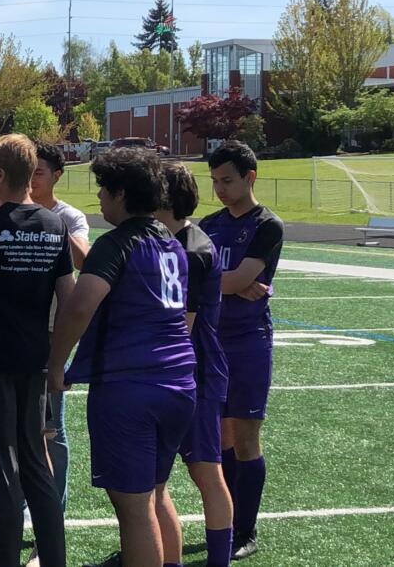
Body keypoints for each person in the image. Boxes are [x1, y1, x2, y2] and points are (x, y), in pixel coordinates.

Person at [47, 148, 196, 567]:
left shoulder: (117, 243)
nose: (99, 199)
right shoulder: (171, 242)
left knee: (132, 509)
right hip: (179, 381)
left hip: (131, 386)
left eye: (104, 190)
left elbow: (79, 306)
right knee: (156, 492)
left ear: (121, 193)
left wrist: (56, 365)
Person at [0, 135, 73, 567]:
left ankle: (7, 559)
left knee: (1, 468)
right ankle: (54, 559)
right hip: (36, 357)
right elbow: (68, 297)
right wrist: (56, 359)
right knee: (36, 464)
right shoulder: (54, 224)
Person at [198, 141, 284, 561]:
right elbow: (207, 277)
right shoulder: (209, 223)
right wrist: (229, 280)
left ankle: (245, 530)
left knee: (246, 437)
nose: (219, 188)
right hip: (211, 340)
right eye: (214, 180)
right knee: (219, 438)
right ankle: (226, 522)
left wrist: (224, 279)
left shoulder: (267, 225)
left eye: (226, 180)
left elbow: (238, 279)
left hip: (249, 341)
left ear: (250, 177)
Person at [155, 162, 232, 567]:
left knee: (206, 472)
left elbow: (181, 327)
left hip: (194, 368)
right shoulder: (171, 240)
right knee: (156, 479)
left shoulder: (192, 248)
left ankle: (218, 560)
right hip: (179, 369)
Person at [31, 141, 90, 528]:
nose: (32, 178)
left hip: (52, 333)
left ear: (56, 175)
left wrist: (50, 224)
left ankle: (55, 513)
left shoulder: (69, 216)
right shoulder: (6, 210)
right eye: (28, 170)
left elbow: (86, 259)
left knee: (53, 428)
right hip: (14, 332)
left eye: (39, 172)